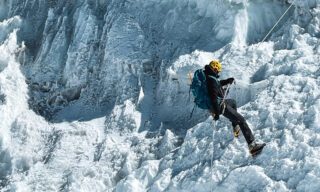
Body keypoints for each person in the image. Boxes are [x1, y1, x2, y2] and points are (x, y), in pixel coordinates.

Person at [204, 60, 265, 155]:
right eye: (218, 70)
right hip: (219, 106)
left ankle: (235, 126)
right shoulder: (211, 80)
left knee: (232, 102)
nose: (218, 72)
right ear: (215, 68)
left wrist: (227, 81)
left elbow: (217, 84)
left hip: (219, 104)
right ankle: (252, 146)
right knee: (241, 120)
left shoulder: (209, 77)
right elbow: (213, 97)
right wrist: (216, 113)